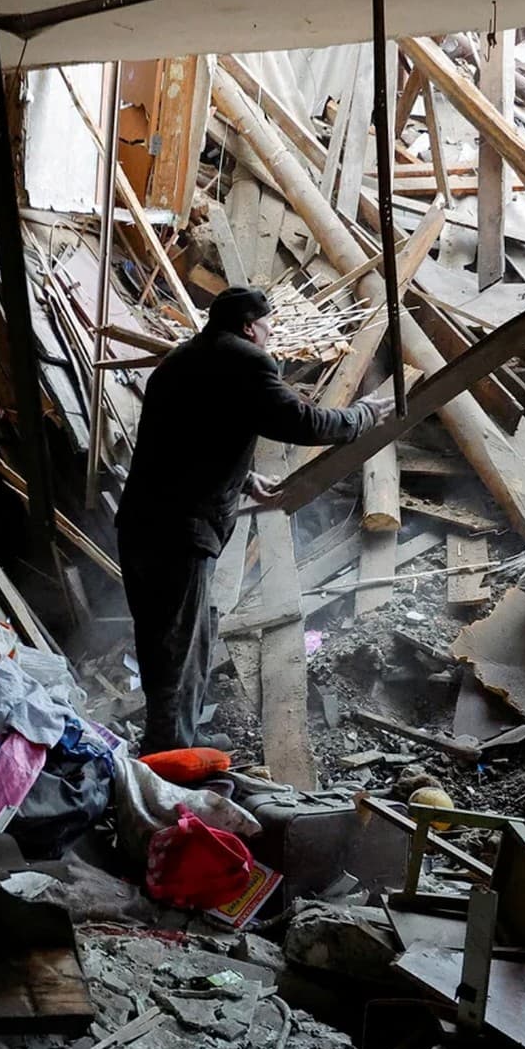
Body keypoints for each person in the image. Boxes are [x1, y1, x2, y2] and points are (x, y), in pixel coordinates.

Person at [116, 286, 392, 755]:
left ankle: (180, 741)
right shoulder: (245, 360)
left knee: (181, 637)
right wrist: (361, 416)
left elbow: (185, 440)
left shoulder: (180, 360)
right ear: (249, 326)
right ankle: (165, 756)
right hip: (180, 532)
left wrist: (244, 480)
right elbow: (302, 422)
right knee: (176, 647)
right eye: (267, 326)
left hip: (143, 522)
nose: (269, 334)